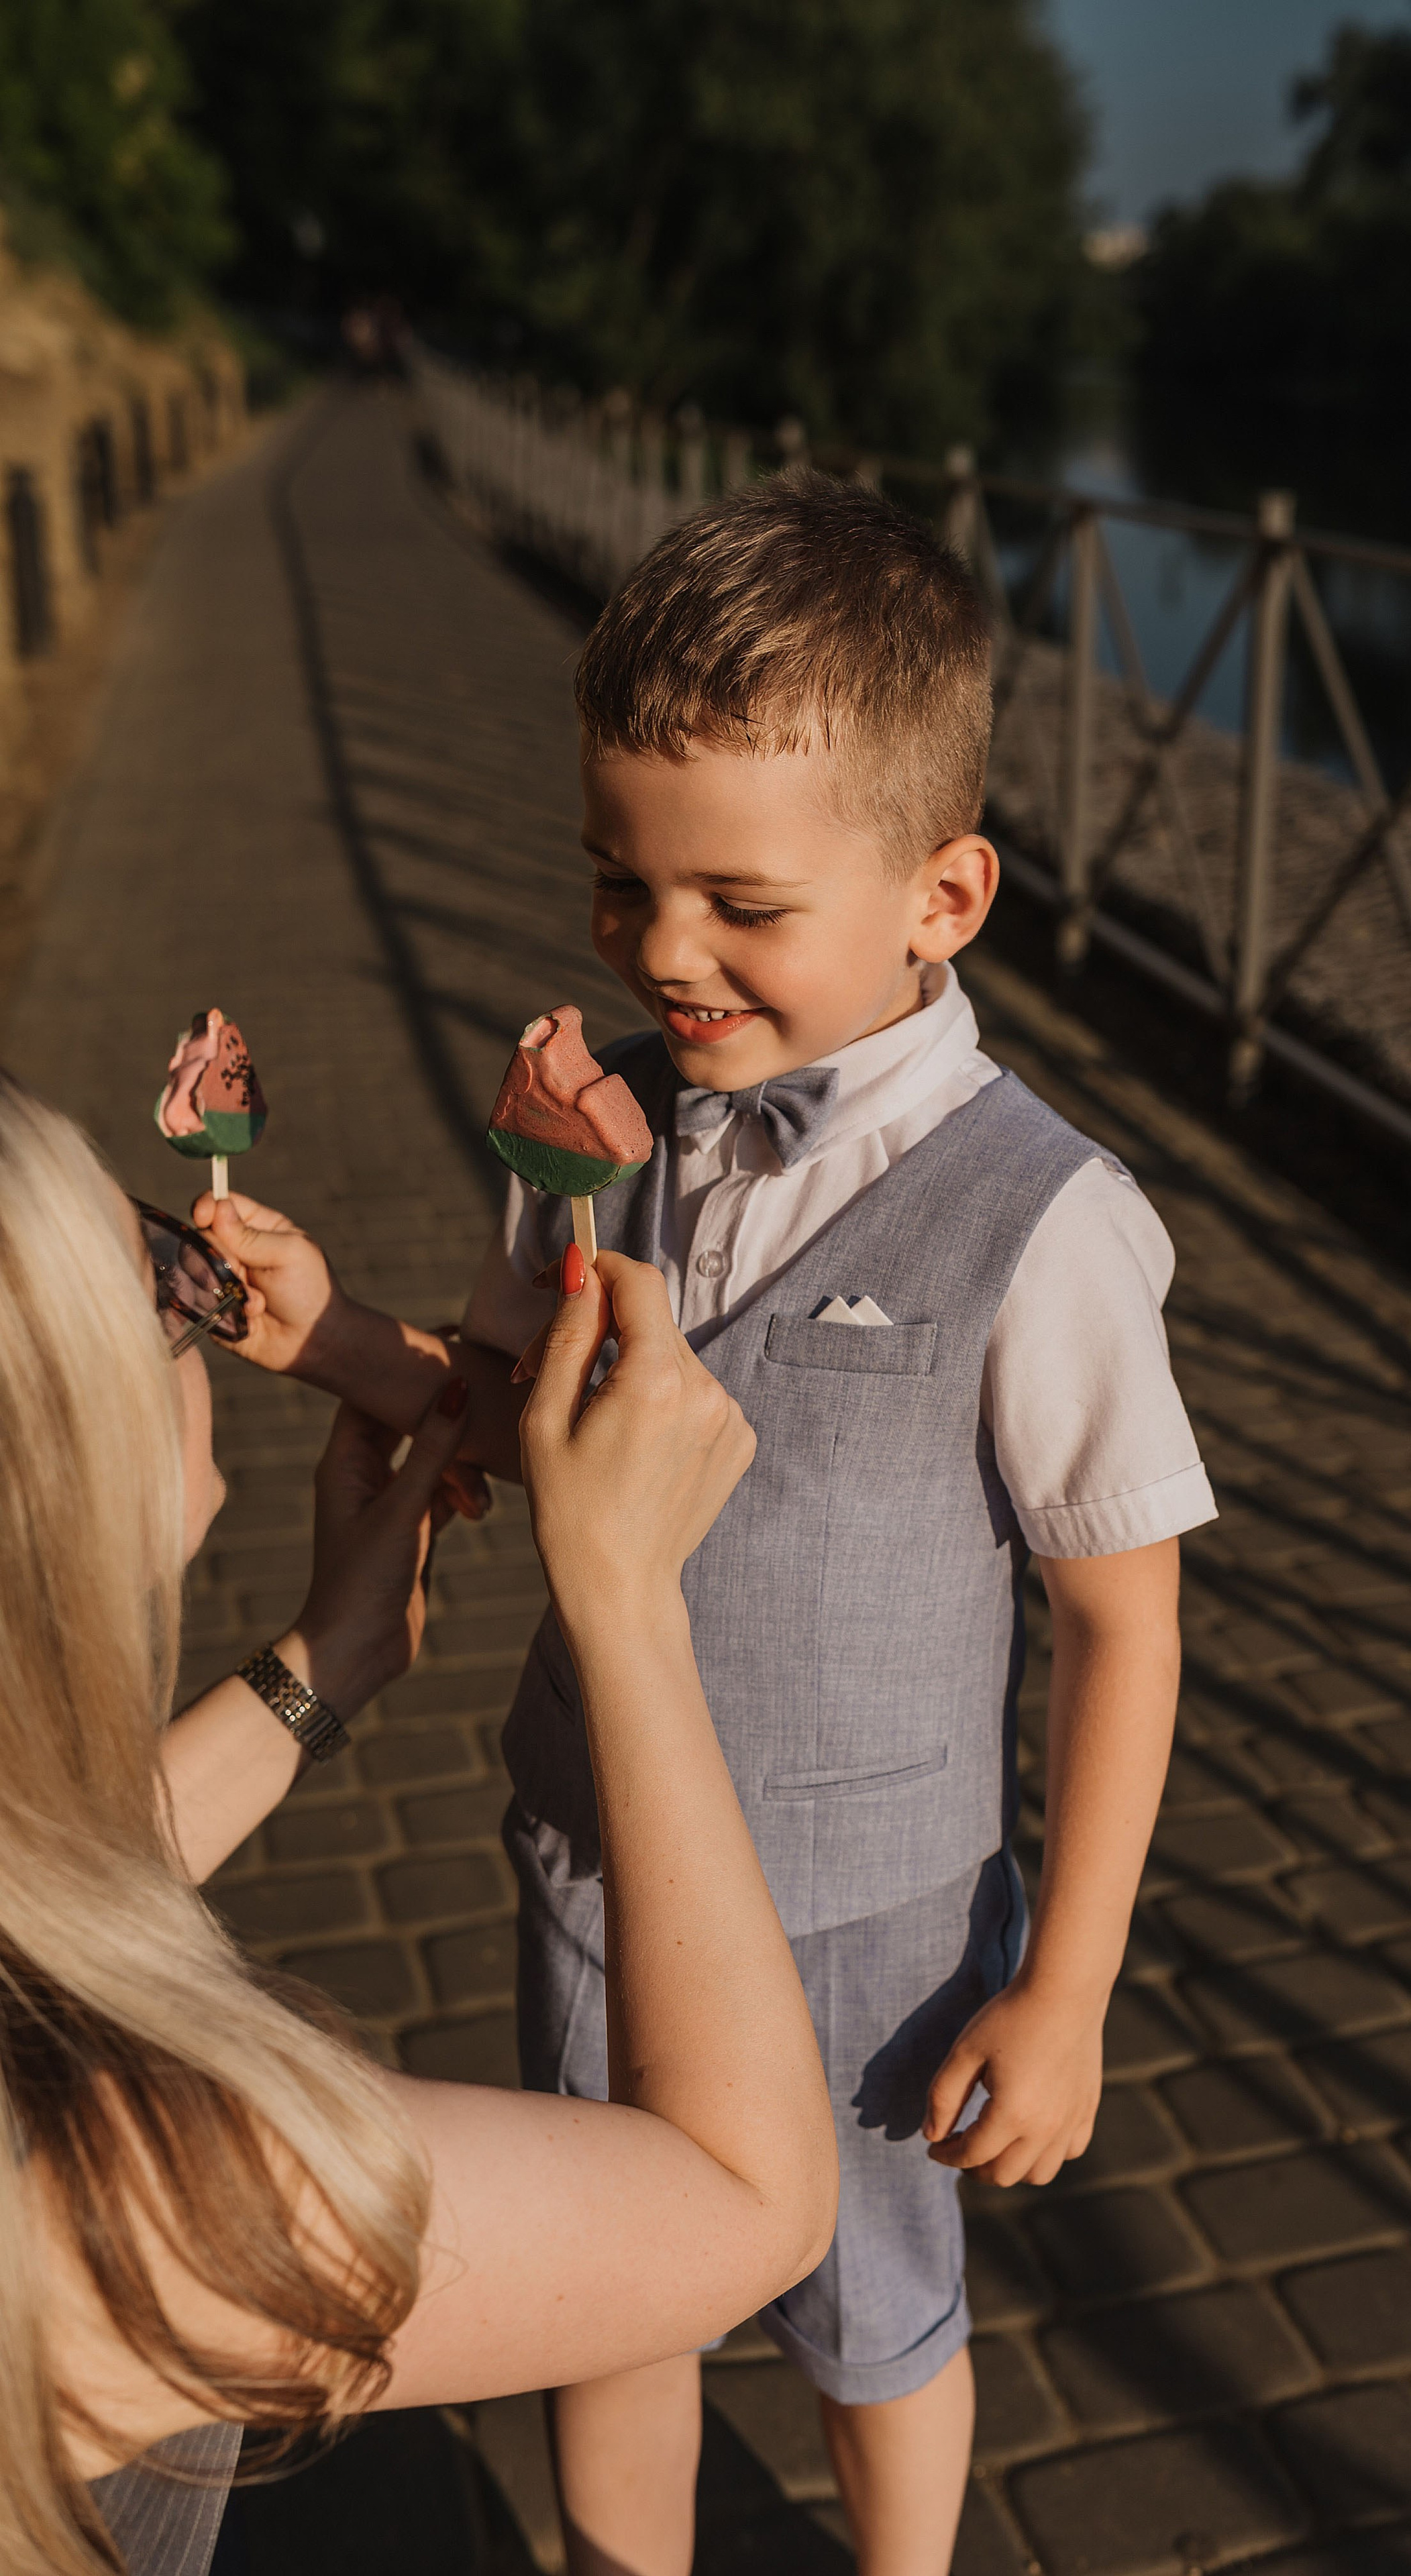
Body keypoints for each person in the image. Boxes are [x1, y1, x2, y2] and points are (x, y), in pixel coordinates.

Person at [192, 469, 1217, 2576]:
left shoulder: (1051, 1225)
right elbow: (501, 1418)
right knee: (606, 2299)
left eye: (739, 905)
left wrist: (1077, 1982)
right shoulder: (601, 1133)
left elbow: (1126, 1625)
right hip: (586, 1850)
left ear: (944, 895)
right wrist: (328, 1349)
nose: (666, 954)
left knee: (874, 2317)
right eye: (621, 883)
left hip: (875, 1922)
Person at [0, 1073, 837, 2576]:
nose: (197, 1291)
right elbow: (747, 2198)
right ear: (60, 1454)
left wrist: (326, 1664)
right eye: (157, 1281)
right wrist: (628, 1600)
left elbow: (41, 1894)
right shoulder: (109, 2195)